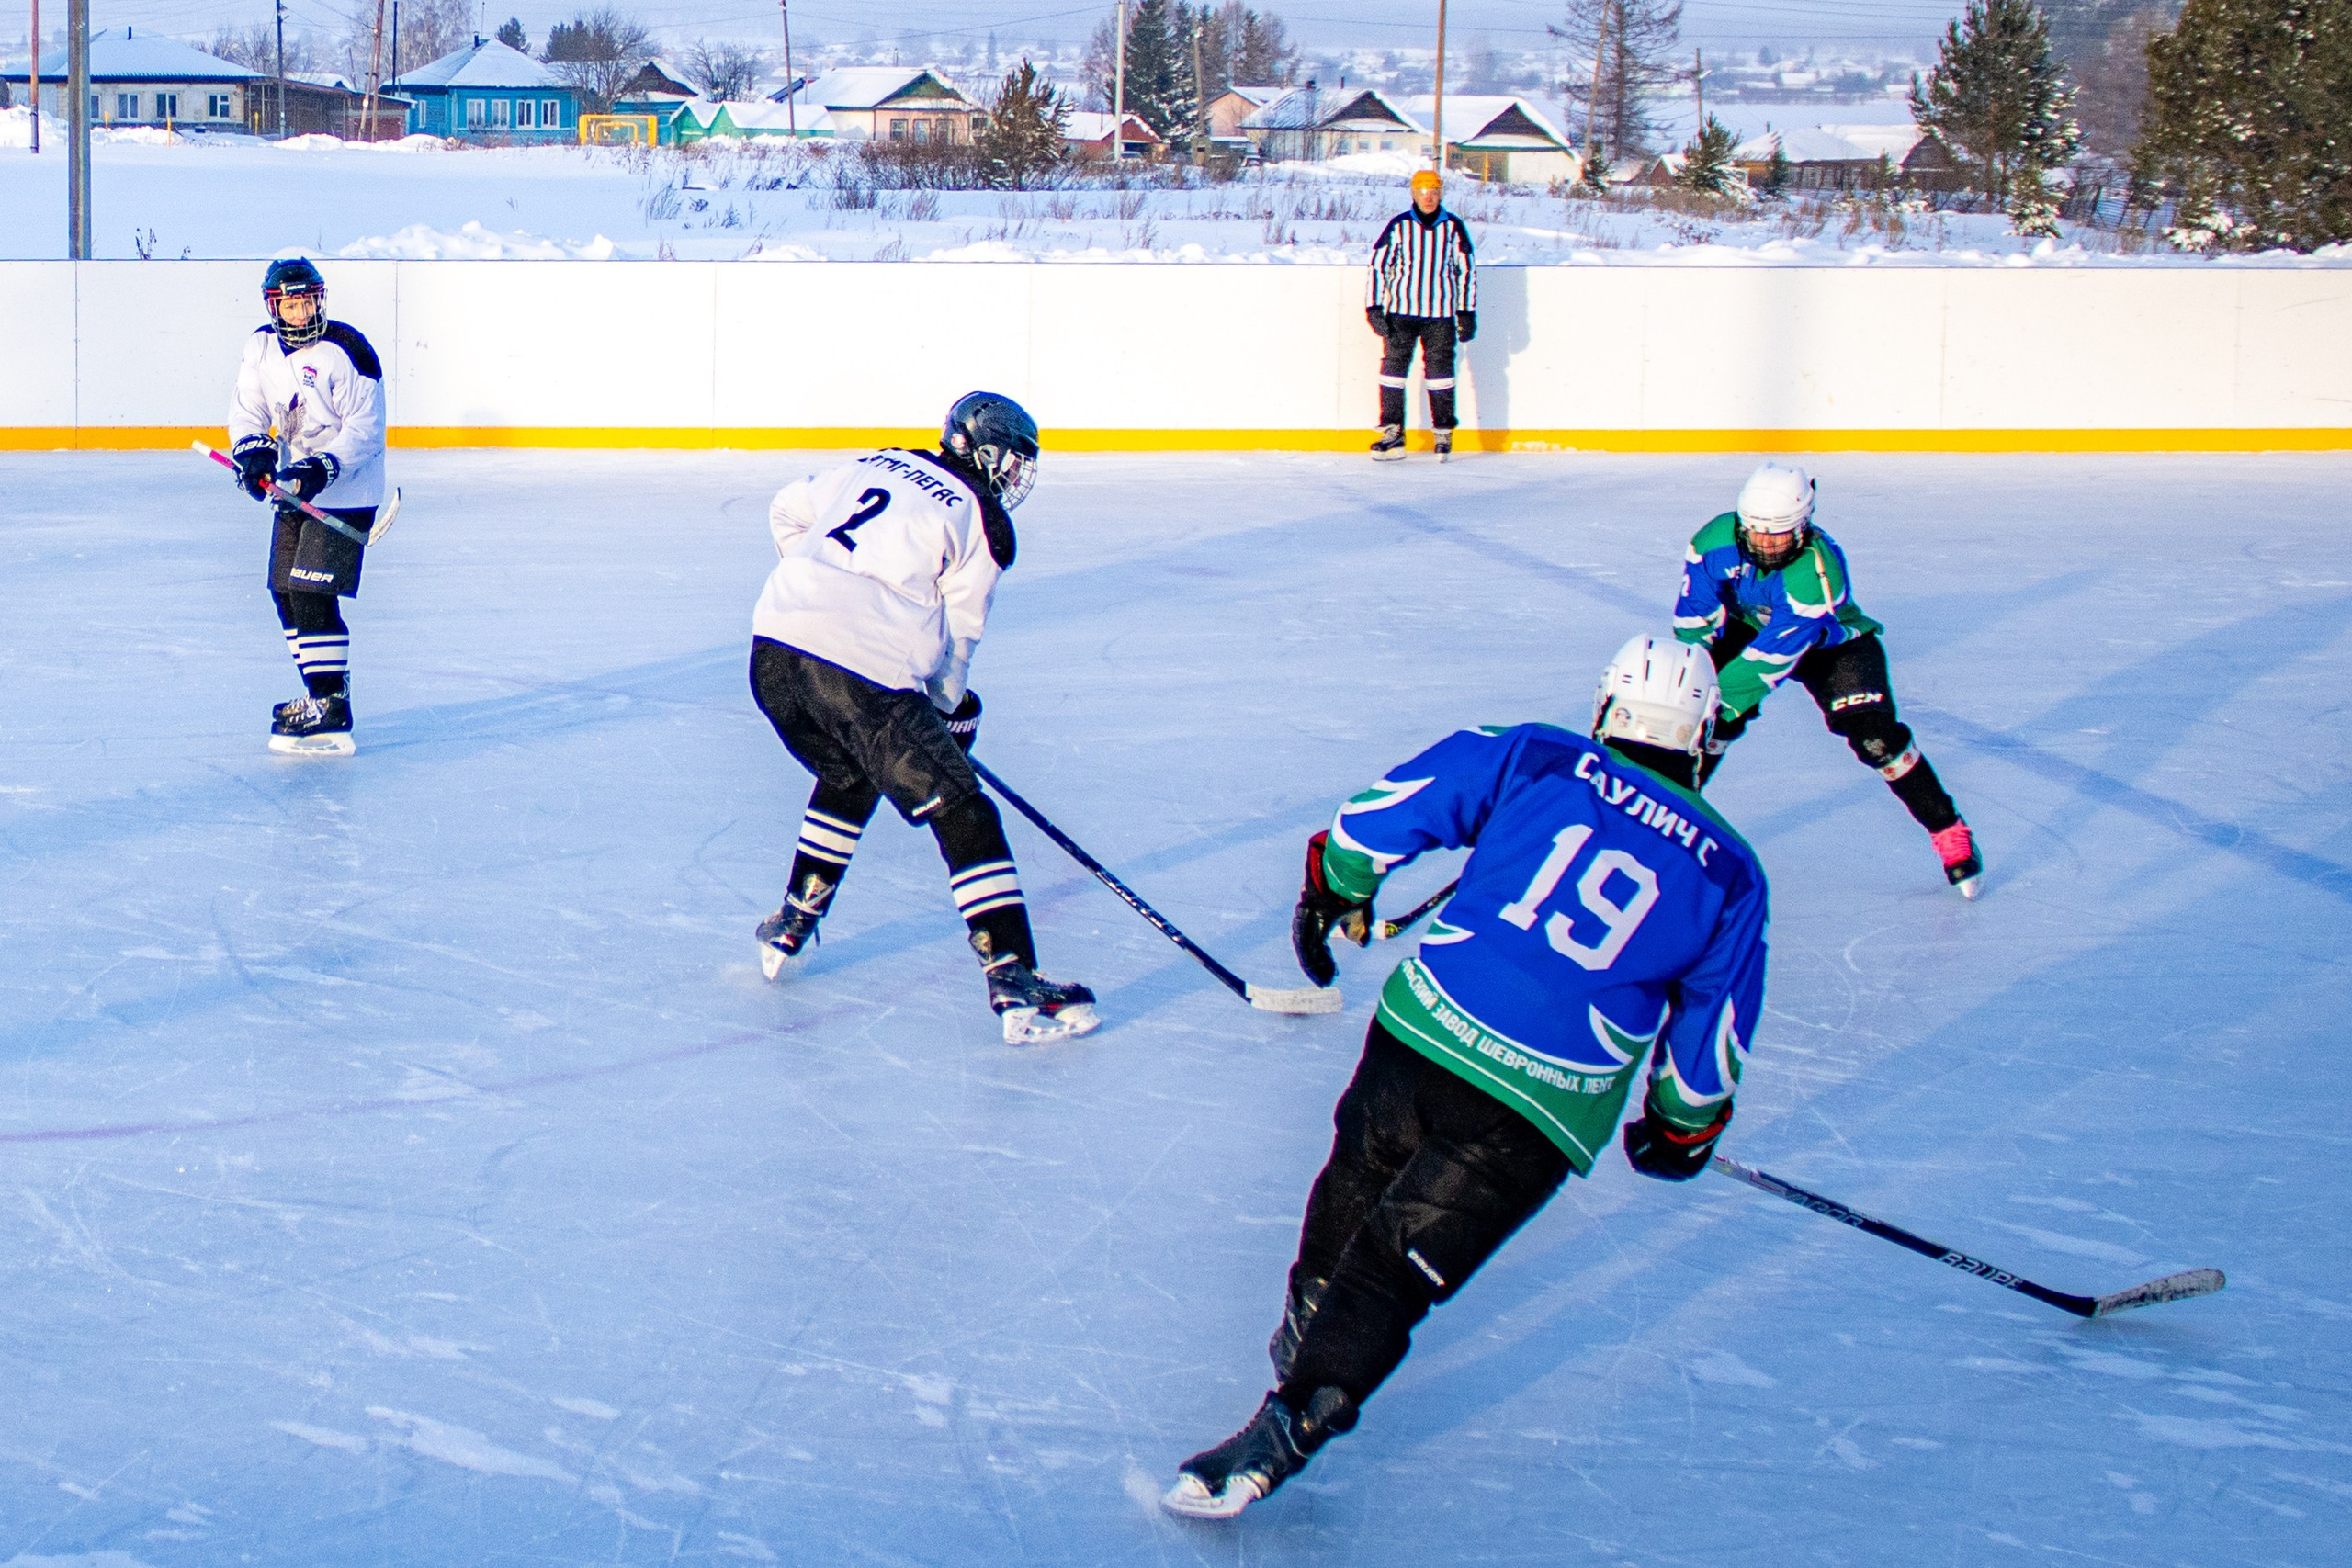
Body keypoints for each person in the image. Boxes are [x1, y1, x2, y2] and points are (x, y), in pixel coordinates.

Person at [1162, 634, 1768, 1518]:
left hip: (1424, 1030)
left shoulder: (1537, 754)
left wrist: (1338, 887)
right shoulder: (1731, 870)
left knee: (1355, 1180)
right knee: (1392, 1267)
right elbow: (1709, 1050)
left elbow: (1376, 819)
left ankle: (1308, 1332)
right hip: (1541, 1103)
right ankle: (1294, 1415)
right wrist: (1678, 1128)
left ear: (1607, 707)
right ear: (1704, 736)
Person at [747, 391, 1099, 1046]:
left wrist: (815, 586)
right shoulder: (981, 518)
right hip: (857, 669)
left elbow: (787, 508)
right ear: (983, 451)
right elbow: (958, 645)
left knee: (853, 770)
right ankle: (1014, 975)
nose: (1015, 474)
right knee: (965, 813)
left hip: (772, 652)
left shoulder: (878, 462)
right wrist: (948, 714)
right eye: (1011, 459)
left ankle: (795, 917)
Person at [1674, 462, 1981, 897]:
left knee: (1877, 739)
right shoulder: (1712, 543)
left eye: (1778, 534)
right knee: (1699, 717)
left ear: (1803, 527)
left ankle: (1947, 828)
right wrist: (1694, 684)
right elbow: (1695, 621)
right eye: (1756, 532)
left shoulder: (1817, 572)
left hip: (1828, 645)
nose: (1764, 544)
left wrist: (1714, 702)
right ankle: (1668, 813)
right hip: (1751, 629)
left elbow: (1769, 660)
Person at [225, 257, 386, 756]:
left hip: (347, 491)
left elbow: (366, 431)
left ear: (320, 299)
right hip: (293, 488)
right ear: (273, 307)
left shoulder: (349, 351)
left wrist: (322, 468)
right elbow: (248, 409)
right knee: (285, 593)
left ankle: (331, 704)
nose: (301, 313)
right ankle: (323, 693)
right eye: (290, 305)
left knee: (312, 593)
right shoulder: (260, 347)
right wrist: (253, 451)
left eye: (307, 302)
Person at [1363, 168, 1476, 463]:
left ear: (1441, 194)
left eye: (1434, 192)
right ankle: (1393, 432)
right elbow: (1378, 267)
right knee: (1392, 371)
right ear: (1414, 194)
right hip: (1401, 314)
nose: (1429, 198)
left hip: (1440, 316)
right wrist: (1374, 307)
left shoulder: (1453, 227)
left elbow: (1466, 270)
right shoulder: (1399, 226)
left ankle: (1443, 433)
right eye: (1423, 192)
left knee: (1440, 373)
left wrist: (1466, 311)